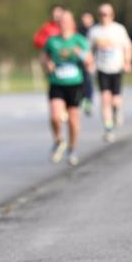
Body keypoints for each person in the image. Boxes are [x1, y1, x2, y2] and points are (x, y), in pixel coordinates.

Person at [43, 11, 92, 166]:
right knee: (55, 117)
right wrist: (47, 64)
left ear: (72, 23)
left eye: (66, 21)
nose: (63, 23)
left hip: (75, 83)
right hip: (57, 82)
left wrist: (81, 55)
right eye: (61, 21)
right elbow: (44, 56)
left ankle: (72, 148)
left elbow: (90, 61)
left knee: (73, 120)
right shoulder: (52, 41)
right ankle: (58, 140)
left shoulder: (79, 40)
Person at [86, 3, 132, 142]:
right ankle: (108, 128)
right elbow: (88, 49)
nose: (103, 17)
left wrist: (127, 62)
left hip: (116, 68)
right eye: (101, 14)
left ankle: (117, 111)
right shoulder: (94, 31)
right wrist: (90, 63)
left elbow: (127, 46)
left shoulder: (119, 29)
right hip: (102, 68)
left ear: (112, 15)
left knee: (116, 101)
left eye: (106, 14)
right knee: (105, 98)